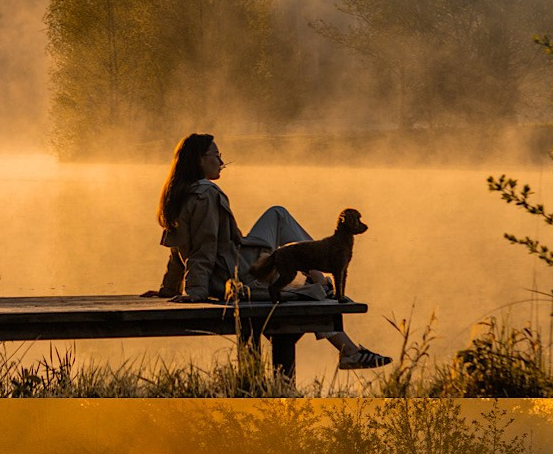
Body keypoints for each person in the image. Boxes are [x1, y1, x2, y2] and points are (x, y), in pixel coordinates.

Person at [148, 133, 391, 370]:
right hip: (234, 273)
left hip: (230, 265)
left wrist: (169, 288)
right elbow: (204, 247)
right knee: (309, 297)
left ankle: (330, 305)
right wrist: (196, 291)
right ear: (199, 159)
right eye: (217, 155)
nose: (222, 162)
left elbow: (177, 250)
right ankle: (336, 318)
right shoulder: (206, 194)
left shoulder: (178, 193)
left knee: (278, 215)